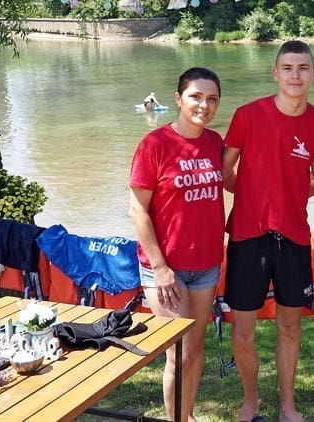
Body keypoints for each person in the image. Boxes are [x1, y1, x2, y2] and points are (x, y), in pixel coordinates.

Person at [222, 40, 314, 422]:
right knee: (242, 333)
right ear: (275, 73)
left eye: (303, 68)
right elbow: (223, 170)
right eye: (287, 68)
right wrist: (250, 192)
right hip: (247, 237)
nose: (295, 76)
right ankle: (250, 401)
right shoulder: (247, 115)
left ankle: (287, 406)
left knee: (290, 328)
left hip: (294, 238)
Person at [129, 67, 224, 422]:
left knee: (195, 347)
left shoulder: (215, 142)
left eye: (212, 99)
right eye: (196, 97)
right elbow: (137, 210)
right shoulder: (154, 145)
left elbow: (240, 181)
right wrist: (160, 267)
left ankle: (187, 414)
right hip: (165, 267)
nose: (204, 105)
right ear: (178, 99)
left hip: (207, 264)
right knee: (179, 350)